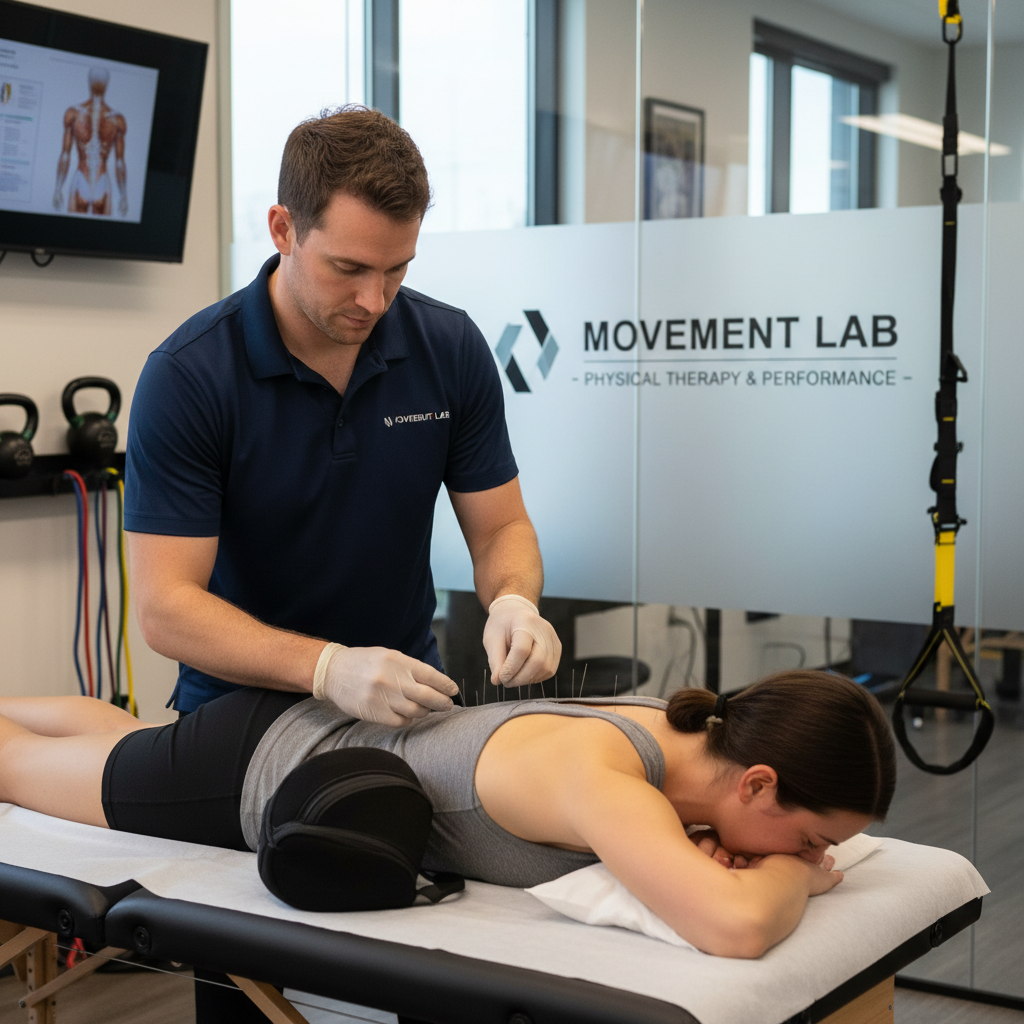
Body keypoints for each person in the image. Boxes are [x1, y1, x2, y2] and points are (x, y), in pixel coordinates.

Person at [124, 105, 561, 724]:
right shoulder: (190, 375)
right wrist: (329, 668)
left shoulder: (449, 348)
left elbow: (498, 529)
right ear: (283, 230)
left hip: (409, 701)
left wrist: (515, 600)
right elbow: (165, 607)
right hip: (238, 718)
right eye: (348, 268)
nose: (373, 300)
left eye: (396, 270)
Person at [0, 670, 895, 959]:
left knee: (119, 740)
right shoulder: (602, 775)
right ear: (758, 784)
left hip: (288, 732)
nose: (821, 856)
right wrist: (797, 875)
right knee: (17, 767)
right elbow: (736, 928)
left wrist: (754, 847)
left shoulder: (670, 723)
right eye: (815, 835)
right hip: (249, 773)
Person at [53, 67, 128, 217]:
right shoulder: (117, 120)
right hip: (103, 183)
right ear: (107, 84)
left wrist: (58, 188)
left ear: (89, 83)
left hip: (81, 179)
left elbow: (65, 155)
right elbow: (119, 162)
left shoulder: (74, 113)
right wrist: (124, 195)